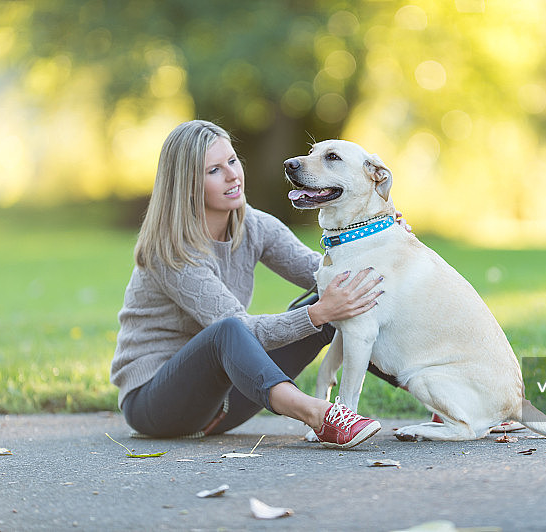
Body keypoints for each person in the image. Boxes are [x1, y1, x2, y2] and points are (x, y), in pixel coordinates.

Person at [110, 119, 400, 449]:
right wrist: (318, 314)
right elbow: (242, 331)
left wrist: (381, 235)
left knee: (351, 295)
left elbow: (329, 276)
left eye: (232, 161)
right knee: (231, 330)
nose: (233, 175)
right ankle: (322, 416)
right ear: (187, 185)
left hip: (228, 401)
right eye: (214, 170)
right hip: (157, 405)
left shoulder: (256, 226)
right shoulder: (170, 252)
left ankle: (431, 386)